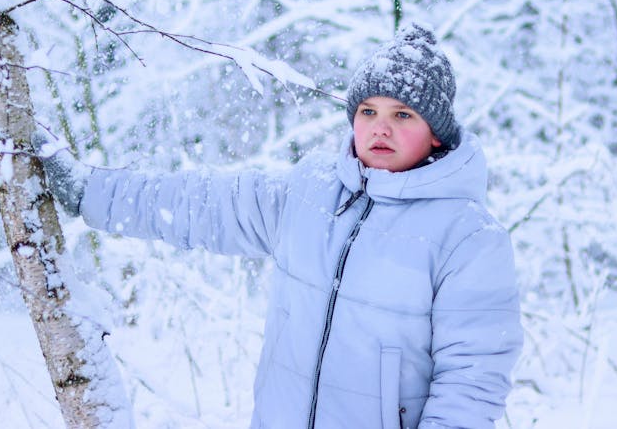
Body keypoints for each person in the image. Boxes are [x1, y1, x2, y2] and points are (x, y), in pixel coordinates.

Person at [39, 23, 523, 429]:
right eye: (368, 111)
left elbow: (472, 381)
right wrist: (90, 193)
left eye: (403, 115)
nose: (381, 128)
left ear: (436, 133)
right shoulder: (310, 192)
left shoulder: (468, 237)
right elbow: (200, 206)